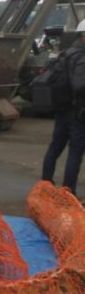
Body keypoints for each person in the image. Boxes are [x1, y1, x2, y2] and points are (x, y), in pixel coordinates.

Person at [41, 19, 85, 195]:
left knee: (56, 146)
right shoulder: (82, 57)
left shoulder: (67, 53)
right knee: (75, 151)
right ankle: (68, 192)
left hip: (62, 109)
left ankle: (45, 185)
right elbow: (80, 86)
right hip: (77, 112)